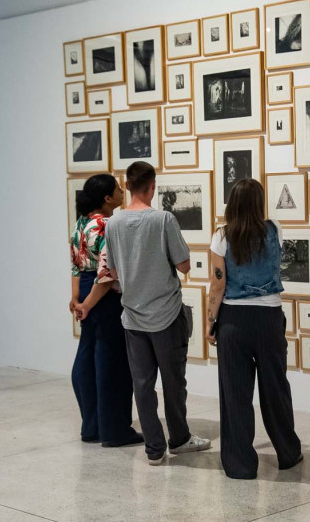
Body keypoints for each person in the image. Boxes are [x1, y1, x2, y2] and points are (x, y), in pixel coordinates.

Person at [104, 161, 211, 465]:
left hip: (133, 316)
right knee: (174, 381)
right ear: (152, 186)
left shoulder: (113, 223)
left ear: (126, 186)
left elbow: (112, 271)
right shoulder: (163, 219)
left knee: (142, 385)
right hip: (166, 314)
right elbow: (184, 265)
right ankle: (178, 438)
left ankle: (154, 448)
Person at [206, 179, 302, 479]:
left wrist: (211, 321)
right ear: (259, 202)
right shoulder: (274, 228)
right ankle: (288, 452)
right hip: (270, 319)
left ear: (232, 202)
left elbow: (218, 284)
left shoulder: (221, 236)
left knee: (235, 392)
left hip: (234, 320)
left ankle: (240, 464)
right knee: (276, 388)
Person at [67, 174, 143, 447]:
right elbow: (107, 275)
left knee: (87, 360)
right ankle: (114, 430)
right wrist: (88, 304)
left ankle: (92, 426)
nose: (123, 191)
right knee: (112, 365)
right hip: (104, 297)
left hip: (87, 291)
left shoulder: (82, 222)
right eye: (118, 188)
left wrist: (77, 300)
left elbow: (76, 266)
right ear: (108, 198)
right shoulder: (107, 225)